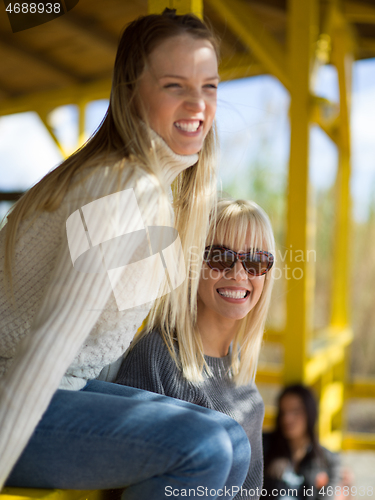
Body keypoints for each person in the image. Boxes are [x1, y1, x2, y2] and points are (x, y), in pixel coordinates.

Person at [0, 10, 251, 499]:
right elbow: (47, 346)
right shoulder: (121, 188)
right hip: (16, 394)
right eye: (175, 85)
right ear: (132, 91)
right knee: (206, 449)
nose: (198, 102)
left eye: (210, 86)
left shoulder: (159, 190)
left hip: (63, 390)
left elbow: (99, 347)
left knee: (233, 440)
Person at [116, 198, 276, 499]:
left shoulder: (240, 373)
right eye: (219, 257)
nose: (239, 273)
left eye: (255, 261)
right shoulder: (156, 356)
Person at [262, 384, 341, 499]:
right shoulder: (264, 447)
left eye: (295, 411)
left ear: (310, 413)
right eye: (283, 412)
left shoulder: (328, 461)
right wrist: (265, 468)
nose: (287, 419)